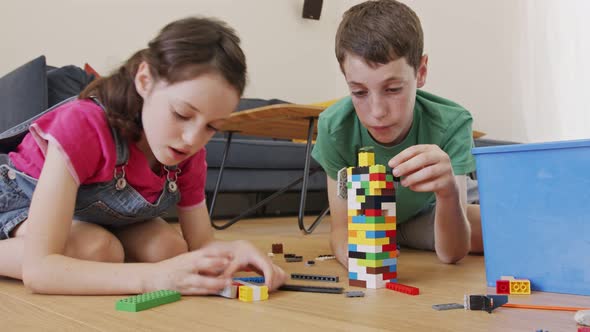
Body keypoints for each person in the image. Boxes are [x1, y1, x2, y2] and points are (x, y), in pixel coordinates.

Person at [0, 17, 287, 295]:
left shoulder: (189, 151)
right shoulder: (84, 125)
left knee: (169, 250)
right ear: (145, 80)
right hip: (20, 203)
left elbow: (200, 245)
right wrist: (154, 278)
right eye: (182, 114)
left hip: (93, 217)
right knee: (98, 250)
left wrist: (234, 251)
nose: (192, 139)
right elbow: (40, 271)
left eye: (211, 126)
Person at [311, 0, 483, 267]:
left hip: (429, 212)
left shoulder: (453, 123)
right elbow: (341, 230)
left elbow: (452, 253)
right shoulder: (334, 127)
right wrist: (360, 261)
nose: (377, 112)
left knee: (499, 227)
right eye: (358, 92)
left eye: (392, 89)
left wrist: (448, 192)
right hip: (375, 221)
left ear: (421, 72)